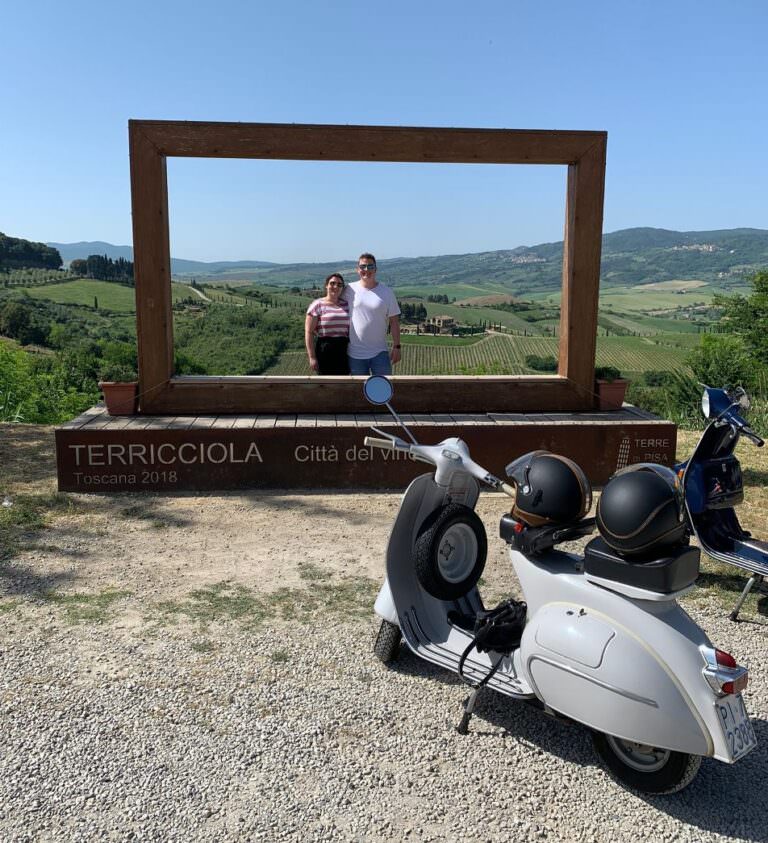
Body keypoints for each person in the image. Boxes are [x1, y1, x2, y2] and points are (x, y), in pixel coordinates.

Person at [345, 252, 401, 375]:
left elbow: (394, 322)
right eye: (363, 267)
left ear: (375, 269)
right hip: (355, 354)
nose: (366, 270)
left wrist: (397, 347)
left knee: (383, 391)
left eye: (370, 266)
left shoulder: (387, 292)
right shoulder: (348, 290)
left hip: (380, 353)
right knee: (359, 392)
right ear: (357, 270)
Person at [305, 273, 350, 375]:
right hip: (325, 349)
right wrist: (312, 357)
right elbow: (309, 332)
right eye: (332, 283)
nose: (335, 286)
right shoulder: (317, 305)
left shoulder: (346, 305)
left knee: (343, 383)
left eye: (339, 284)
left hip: (344, 350)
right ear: (326, 285)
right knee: (326, 384)